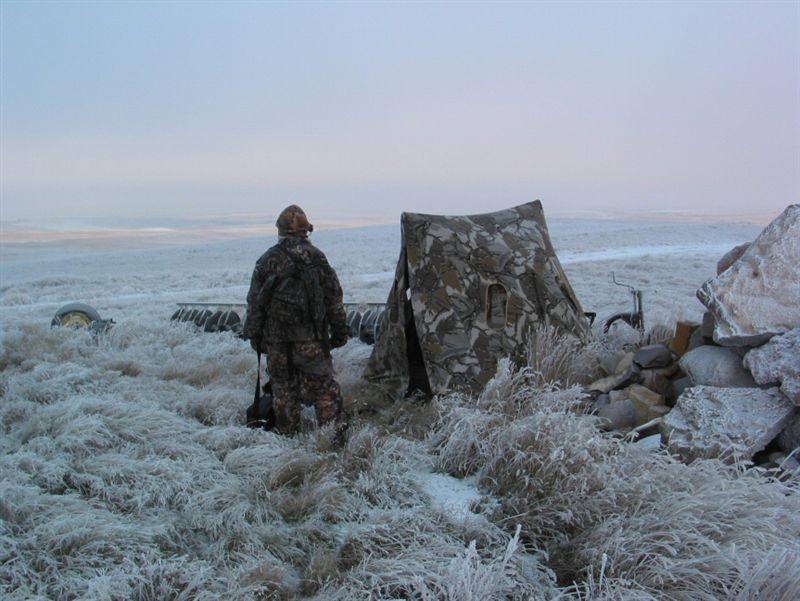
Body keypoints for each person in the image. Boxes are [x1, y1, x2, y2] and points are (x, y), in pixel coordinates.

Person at [244, 205, 349, 440]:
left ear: (280, 230)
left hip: (277, 343)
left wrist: (256, 338)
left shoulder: (267, 259)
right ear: (306, 231)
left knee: (283, 391)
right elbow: (334, 299)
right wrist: (340, 333)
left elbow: (254, 304)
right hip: (312, 342)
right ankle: (334, 440)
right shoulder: (317, 258)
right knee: (324, 390)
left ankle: (287, 436)